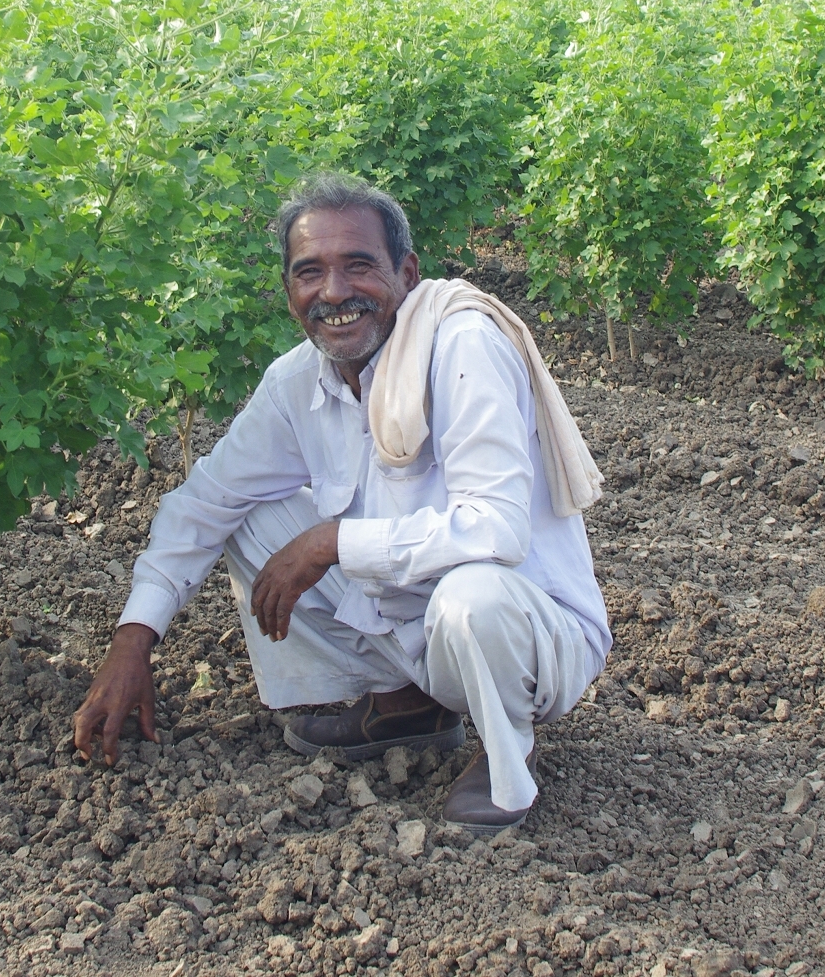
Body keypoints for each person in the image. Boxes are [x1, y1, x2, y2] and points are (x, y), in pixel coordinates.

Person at [71, 173, 610, 833]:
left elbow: (495, 530)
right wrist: (133, 639)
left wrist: (331, 541)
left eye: (359, 265)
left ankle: (508, 763)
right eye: (310, 272)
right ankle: (408, 705)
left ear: (406, 272)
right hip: (425, 635)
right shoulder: (297, 382)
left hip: (531, 634)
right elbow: (203, 502)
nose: (334, 292)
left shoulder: (464, 344)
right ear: (289, 289)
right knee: (251, 519)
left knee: (474, 595)